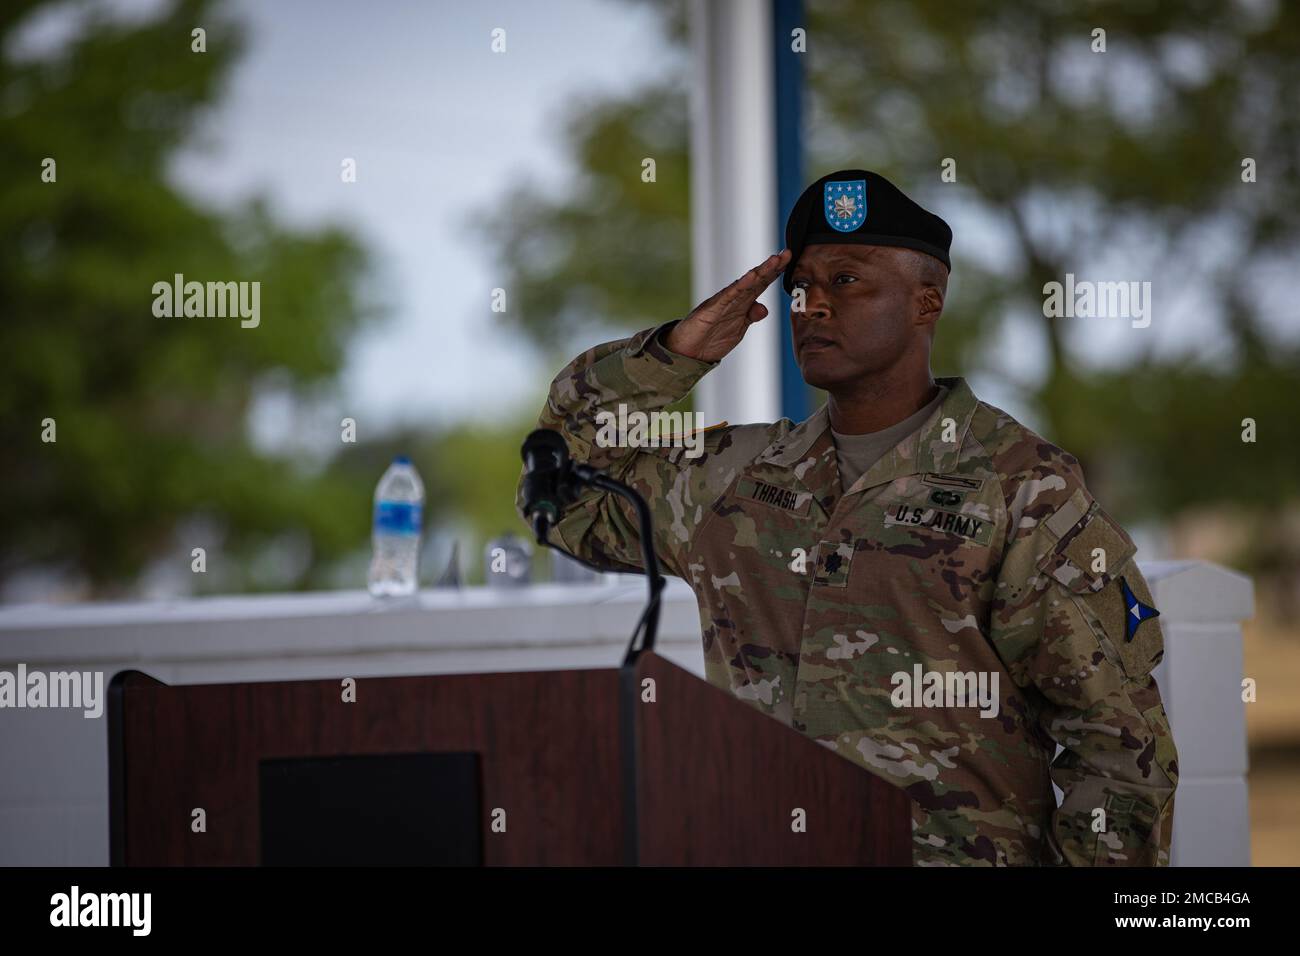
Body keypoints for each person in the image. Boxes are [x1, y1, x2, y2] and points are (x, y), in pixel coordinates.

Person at [517, 169, 1178, 866]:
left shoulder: (1020, 486)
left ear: (928, 301)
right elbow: (562, 487)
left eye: (847, 281)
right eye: (800, 287)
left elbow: (1117, 743)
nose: (813, 306)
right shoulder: (730, 477)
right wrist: (675, 354)